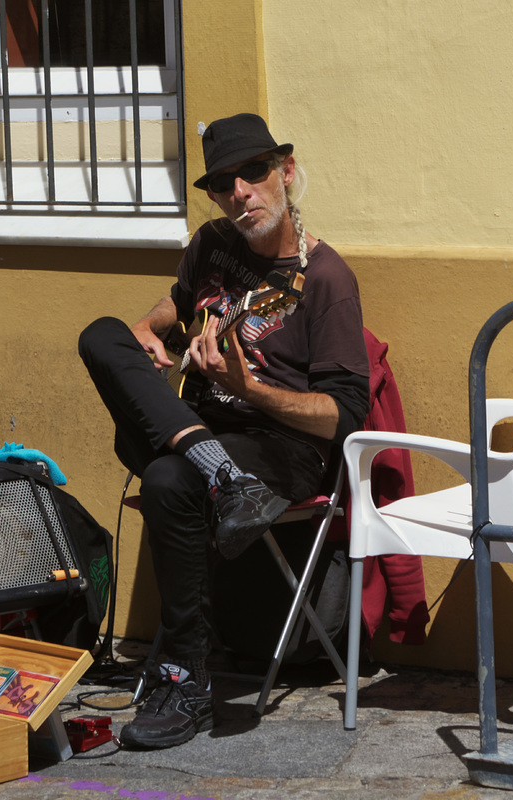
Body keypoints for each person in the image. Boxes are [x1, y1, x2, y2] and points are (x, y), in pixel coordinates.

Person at [78, 112, 370, 749]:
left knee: (168, 477)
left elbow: (345, 416)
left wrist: (249, 389)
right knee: (102, 334)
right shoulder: (210, 244)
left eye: (253, 173)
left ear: (285, 174)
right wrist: (152, 332)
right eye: (222, 183)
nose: (240, 191)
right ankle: (213, 466)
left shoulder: (325, 280)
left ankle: (186, 681)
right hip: (198, 428)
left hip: (281, 449)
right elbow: (173, 305)